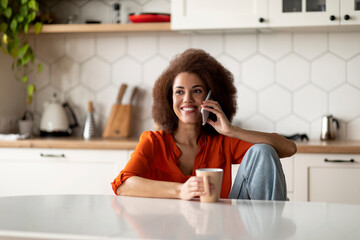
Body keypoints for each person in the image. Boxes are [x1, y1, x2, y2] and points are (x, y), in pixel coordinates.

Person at [111, 48, 297, 201]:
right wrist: (180, 191)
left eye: (197, 91)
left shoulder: (222, 140)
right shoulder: (154, 141)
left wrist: (231, 130)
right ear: (169, 99)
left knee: (263, 151)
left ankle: (268, 231)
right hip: (169, 231)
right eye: (179, 92)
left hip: (222, 227)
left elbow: (288, 148)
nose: (187, 99)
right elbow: (123, 186)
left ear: (211, 97)